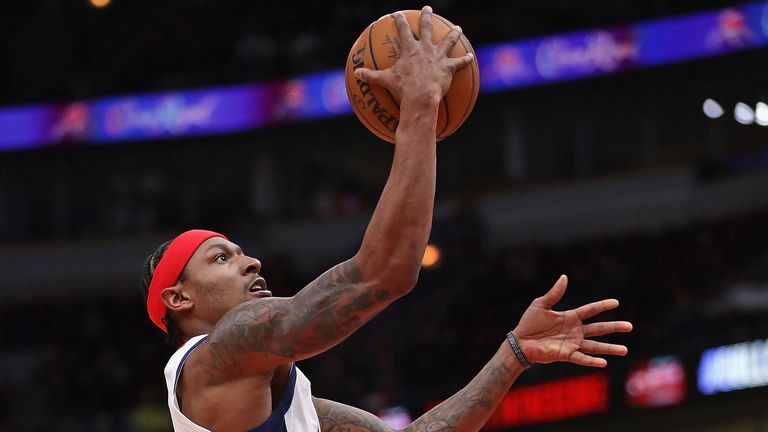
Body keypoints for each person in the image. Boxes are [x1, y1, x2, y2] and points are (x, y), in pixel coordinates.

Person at [140, 7, 632, 432]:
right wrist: (418, 107)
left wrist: (513, 355)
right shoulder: (219, 351)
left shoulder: (283, 395)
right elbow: (384, 273)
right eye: (221, 257)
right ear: (178, 297)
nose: (251, 263)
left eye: (242, 251)